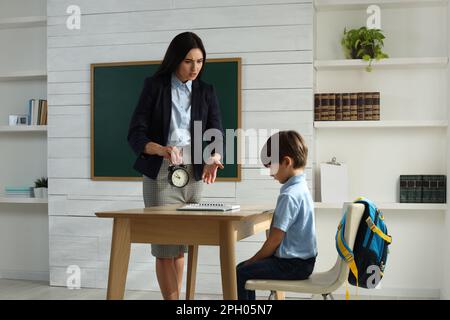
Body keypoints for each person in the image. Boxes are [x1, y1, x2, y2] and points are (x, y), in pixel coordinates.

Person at [127, 32, 225, 300]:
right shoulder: (155, 86)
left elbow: (215, 129)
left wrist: (213, 157)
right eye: (188, 62)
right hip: (160, 172)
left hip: (193, 174)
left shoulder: (206, 91)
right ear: (175, 60)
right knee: (164, 247)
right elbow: (135, 132)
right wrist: (161, 150)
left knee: (181, 247)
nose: (195, 68)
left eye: (200, 61)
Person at [236, 130, 318, 300]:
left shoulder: (289, 195)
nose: (270, 173)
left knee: (241, 271)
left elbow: (274, 240)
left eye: (271, 167)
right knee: (245, 268)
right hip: (305, 262)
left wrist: (253, 260)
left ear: (286, 162)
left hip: (292, 265)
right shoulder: (301, 188)